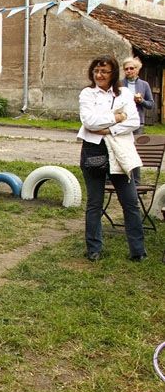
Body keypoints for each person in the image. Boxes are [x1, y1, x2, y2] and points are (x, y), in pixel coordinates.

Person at [78, 55, 146, 263]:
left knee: (130, 202)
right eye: (96, 71)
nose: (99, 75)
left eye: (104, 72)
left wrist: (109, 130)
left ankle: (138, 251)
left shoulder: (124, 93)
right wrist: (117, 117)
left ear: (113, 74)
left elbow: (134, 121)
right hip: (94, 150)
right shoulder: (87, 93)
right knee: (95, 203)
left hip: (119, 151)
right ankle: (94, 249)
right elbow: (89, 122)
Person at [122, 57, 154, 136]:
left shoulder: (144, 84)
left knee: (138, 143)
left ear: (137, 69)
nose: (129, 71)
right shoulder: (119, 84)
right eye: (126, 69)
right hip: (122, 121)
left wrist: (141, 101)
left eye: (131, 68)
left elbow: (151, 105)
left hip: (138, 122)